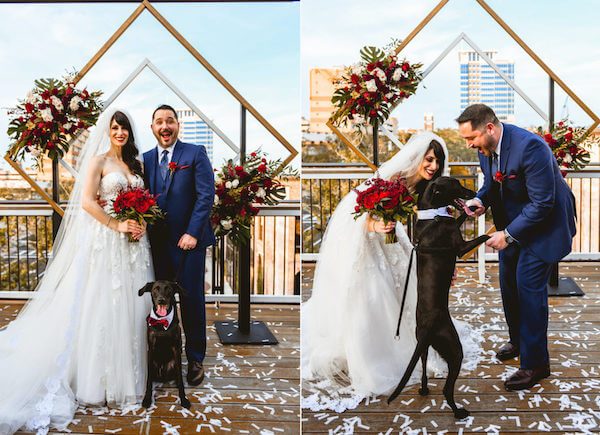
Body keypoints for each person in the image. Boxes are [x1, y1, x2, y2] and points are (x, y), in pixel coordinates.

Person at [301, 131, 483, 412]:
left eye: (438, 161)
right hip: (364, 232)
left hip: (389, 232)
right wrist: (376, 226)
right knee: (373, 290)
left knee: (402, 283)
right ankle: (373, 351)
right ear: (418, 157)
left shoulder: (428, 185)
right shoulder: (394, 177)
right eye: (429, 159)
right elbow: (359, 211)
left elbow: (435, 222)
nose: (433, 166)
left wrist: (446, 260)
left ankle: (413, 339)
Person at [0, 108, 153, 434]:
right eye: (115, 127)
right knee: (102, 304)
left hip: (134, 246)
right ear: (108, 131)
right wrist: (116, 224)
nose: (120, 133)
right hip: (107, 241)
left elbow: (143, 201)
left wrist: (138, 224)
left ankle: (130, 371)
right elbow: (86, 201)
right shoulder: (98, 161)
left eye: (124, 128)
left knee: (131, 303)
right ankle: (98, 379)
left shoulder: (135, 165)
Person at [457, 104, 576, 390]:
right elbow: (490, 183)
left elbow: (543, 203)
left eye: (471, 138)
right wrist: (480, 201)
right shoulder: (485, 149)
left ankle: (536, 364)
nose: (469, 144)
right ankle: (519, 341)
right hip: (514, 225)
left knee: (528, 286)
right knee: (508, 283)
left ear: (489, 128)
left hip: (545, 226)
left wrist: (507, 235)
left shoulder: (530, 148)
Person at [143, 105, 215, 386]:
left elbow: (205, 195)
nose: (165, 126)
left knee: (191, 301)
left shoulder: (194, 153)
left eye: (170, 121)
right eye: (159, 121)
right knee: (161, 303)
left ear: (177, 126)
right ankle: (165, 357)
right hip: (157, 245)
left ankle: (196, 359)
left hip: (189, 244)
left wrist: (193, 233)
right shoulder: (147, 159)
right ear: (152, 128)